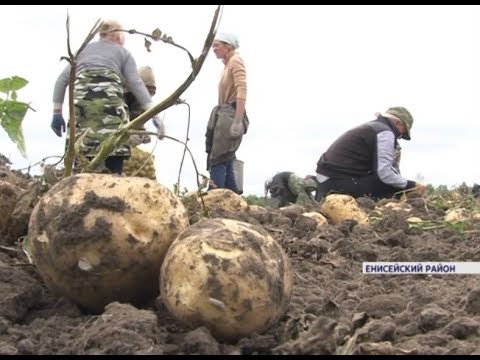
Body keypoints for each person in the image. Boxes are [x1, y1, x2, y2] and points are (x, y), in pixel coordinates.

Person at [51, 19, 165, 175]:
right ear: (118, 35)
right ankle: (113, 181)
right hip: (111, 113)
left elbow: (61, 82)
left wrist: (57, 113)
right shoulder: (123, 53)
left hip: (82, 114)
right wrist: (156, 116)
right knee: (113, 170)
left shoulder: (82, 51)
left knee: (80, 166)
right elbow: (137, 84)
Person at [315, 106, 425, 201]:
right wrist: (411, 185)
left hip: (327, 179)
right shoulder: (385, 133)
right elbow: (384, 173)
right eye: (403, 132)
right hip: (338, 183)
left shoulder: (372, 127)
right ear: (397, 123)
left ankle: (315, 183)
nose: (400, 136)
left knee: (391, 182)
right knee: (395, 187)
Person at [205, 32, 249, 193]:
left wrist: (237, 120)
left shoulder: (236, 61)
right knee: (227, 158)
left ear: (228, 46)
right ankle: (233, 195)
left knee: (218, 158)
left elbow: (242, 90)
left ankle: (216, 196)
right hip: (223, 112)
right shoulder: (227, 65)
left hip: (230, 114)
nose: (213, 49)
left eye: (217, 45)